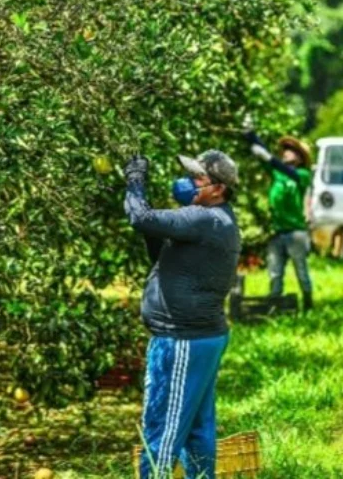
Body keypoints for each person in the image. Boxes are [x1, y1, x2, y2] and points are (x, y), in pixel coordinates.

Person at [124, 150, 241, 479]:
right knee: (197, 429)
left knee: (163, 429)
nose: (189, 183)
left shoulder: (205, 220)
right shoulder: (214, 220)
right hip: (202, 338)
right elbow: (165, 261)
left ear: (218, 188)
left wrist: (135, 181)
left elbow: (139, 218)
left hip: (183, 341)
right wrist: (154, 232)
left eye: (198, 178)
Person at [243, 124, 315, 311]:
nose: (286, 153)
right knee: (275, 271)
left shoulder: (303, 175)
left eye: (291, 151)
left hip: (296, 232)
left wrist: (269, 158)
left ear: (299, 157)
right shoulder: (277, 173)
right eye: (285, 150)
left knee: (301, 270)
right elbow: (266, 155)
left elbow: (277, 164)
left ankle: (308, 303)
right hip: (277, 230)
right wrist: (251, 134)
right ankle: (274, 304)